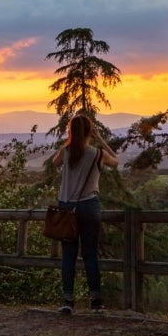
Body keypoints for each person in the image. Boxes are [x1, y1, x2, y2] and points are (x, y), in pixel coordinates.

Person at [50, 114, 119, 314]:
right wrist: (101, 140)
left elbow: (54, 164)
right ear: (90, 132)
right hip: (89, 206)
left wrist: (69, 140)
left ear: (71, 131)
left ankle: (68, 300)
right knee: (90, 254)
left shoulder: (66, 151)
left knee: (68, 255)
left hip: (66, 207)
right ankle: (96, 300)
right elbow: (116, 161)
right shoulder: (97, 154)